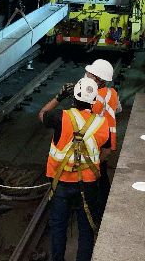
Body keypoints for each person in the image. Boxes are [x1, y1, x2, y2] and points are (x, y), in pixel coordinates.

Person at [39, 77, 111, 261]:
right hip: (87, 184)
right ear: (94, 100)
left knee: (58, 226)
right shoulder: (103, 124)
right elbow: (106, 151)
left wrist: (58, 97)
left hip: (60, 183)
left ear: (73, 98)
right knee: (86, 228)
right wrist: (90, 166)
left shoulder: (60, 117)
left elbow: (42, 114)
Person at [86, 59, 121, 207]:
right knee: (103, 172)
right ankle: (105, 201)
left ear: (97, 79)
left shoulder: (92, 97)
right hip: (108, 138)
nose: (87, 75)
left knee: (92, 172)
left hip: (95, 140)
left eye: (89, 73)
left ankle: (94, 204)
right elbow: (117, 109)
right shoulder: (112, 93)